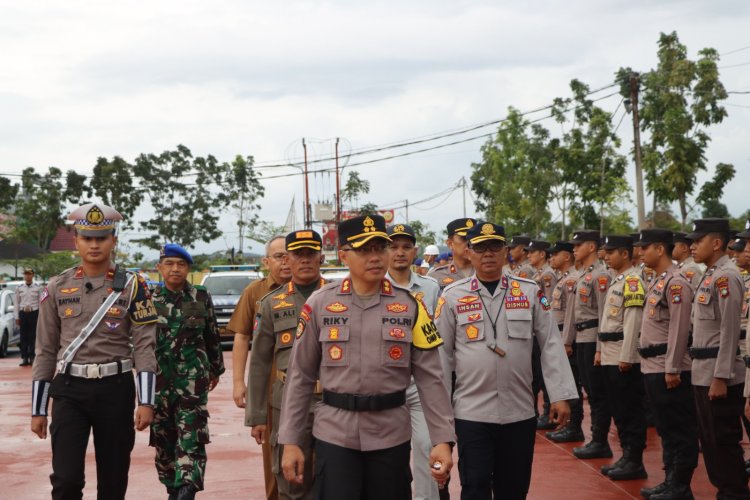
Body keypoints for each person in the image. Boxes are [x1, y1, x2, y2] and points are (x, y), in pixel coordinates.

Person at [279, 215, 455, 499]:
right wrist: (290, 441)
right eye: (364, 249)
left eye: (379, 248)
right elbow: (300, 376)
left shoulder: (411, 306)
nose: (375, 257)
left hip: (391, 435)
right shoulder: (320, 304)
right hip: (335, 435)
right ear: (344, 255)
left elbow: (431, 378)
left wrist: (442, 439)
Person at [436, 221, 577, 499]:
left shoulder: (529, 291)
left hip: (519, 411)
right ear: (469, 252)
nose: (488, 253)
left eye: (495, 247)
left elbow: (550, 342)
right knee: (474, 485)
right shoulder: (452, 297)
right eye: (480, 248)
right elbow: (441, 357)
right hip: (471, 412)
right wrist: (441, 419)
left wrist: (560, 395)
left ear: (506, 252)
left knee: (513, 488)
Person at [31, 203, 158, 499]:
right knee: (65, 480)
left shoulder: (133, 286)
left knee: (113, 481)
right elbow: (46, 349)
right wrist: (38, 409)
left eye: (101, 237)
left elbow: (144, 345)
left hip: (115, 389)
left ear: (113, 240)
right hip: (69, 390)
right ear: (76, 241)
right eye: (87, 238)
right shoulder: (57, 286)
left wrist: (146, 401)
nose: (94, 244)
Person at [248, 230, 328, 500]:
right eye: (297, 254)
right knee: (291, 481)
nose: (305, 260)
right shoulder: (271, 303)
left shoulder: (339, 297)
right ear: (287, 261)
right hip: (288, 400)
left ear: (322, 258)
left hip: (334, 401)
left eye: (310, 254)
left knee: (335, 477)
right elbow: (259, 361)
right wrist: (258, 416)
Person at [150, 244, 225, 499]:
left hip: (192, 383)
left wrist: (215, 369)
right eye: (169, 264)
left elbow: (212, 334)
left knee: (191, 437)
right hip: (158, 385)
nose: (175, 269)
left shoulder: (200, 296)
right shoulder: (149, 299)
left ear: (188, 269)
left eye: (181, 265)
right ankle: (173, 488)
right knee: (164, 442)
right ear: (159, 268)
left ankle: (187, 488)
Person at [687, 218, 750, 498]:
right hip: (703, 369)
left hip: (718, 373)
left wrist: (721, 377)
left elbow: (729, 330)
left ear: (715, 243)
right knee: (710, 440)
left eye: (698, 241)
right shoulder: (710, 274)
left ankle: (733, 493)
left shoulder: (727, 276)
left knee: (723, 441)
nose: (692, 246)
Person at [636, 229, 699, 499]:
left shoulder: (676, 283)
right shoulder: (660, 281)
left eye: (645, 247)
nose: (640, 252)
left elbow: (679, 328)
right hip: (653, 365)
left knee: (679, 429)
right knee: (665, 427)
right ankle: (670, 479)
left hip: (668, 367)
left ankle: (681, 486)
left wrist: (673, 367)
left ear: (660, 249)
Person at [228, 235, 292, 500]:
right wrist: (238, 383)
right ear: (267, 262)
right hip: (270, 386)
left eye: (291, 255)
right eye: (279, 256)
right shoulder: (255, 292)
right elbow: (242, 337)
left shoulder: (319, 292)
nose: (286, 262)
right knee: (275, 458)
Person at [386, 223, 442, 500]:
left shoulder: (431, 288)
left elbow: (440, 336)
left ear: (415, 252)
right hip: (385, 384)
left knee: (426, 447)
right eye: (393, 247)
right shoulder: (375, 286)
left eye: (406, 247)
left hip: (420, 384)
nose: (399, 253)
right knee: (388, 456)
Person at [598, 235, 648, 481]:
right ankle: (627, 456)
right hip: (609, 352)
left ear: (625, 254)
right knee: (618, 408)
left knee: (629, 409)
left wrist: (628, 356)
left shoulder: (633, 281)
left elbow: (633, 322)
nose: (606, 255)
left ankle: (635, 460)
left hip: (622, 354)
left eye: (611, 251)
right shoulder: (617, 280)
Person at [562, 230, 614, 460]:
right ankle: (595, 438)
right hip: (581, 338)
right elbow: (573, 312)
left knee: (598, 392)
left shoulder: (601, 275)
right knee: (589, 391)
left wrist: (601, 348)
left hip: (594, 337)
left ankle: (600, 440)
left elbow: (604, 313)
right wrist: (567, 340)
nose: (574, 248)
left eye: (579, 244)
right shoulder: (583, 275)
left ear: (592, 247)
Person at [545, 241, 585, 443]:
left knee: (572, 383)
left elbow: (570, 314)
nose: (551, 257)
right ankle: (569, 425)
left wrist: (567, 341)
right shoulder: (564, 279)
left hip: (567, 335)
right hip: (559, 333)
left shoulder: (572, 280)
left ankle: (575, 426)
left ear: (567, 257)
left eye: (555, 254)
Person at [527, 240, 557, 429]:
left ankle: (547, 412)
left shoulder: (547, 276)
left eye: (533, 252)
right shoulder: (539, 274)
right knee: (535, 376)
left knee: (543, 374)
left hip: (542, 328)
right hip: (532, 332)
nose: (529, 255)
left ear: (542, 254)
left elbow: (547, 303)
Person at [429, 218, 477, 289]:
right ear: (450, 243)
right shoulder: (435, 276)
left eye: (473, 239)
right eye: (464, 238)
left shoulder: (488, 272)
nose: (469, 243)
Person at [15, 266, 43, 366]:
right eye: (26, 274)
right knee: (23, 337)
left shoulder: (38, 287)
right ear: (24, 275)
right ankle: (24, 358)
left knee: (33, 336)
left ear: (33, 275)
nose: (27, 276)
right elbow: (16, 303)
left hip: (34, 313)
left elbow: (41, 303)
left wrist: (41, 316)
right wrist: (16, 317)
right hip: (23, 314)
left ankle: (32, 356)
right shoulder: (19, 288)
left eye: (29, 274)